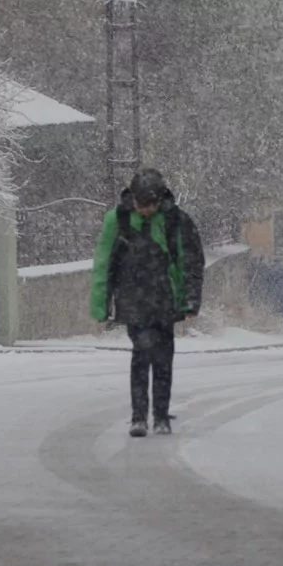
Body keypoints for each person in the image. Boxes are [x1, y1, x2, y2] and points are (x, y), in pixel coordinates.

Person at [90, 169, 204, 437]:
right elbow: (103, 264)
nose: (144, 210)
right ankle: (139, 417)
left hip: (165, 298)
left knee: (163, 358)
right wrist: (100, 306)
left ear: (159, 200)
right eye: (140, 204)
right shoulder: (117, 220)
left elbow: (191, 262)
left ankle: (161, 416)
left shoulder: (176, 221)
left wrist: (190, 301)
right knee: (141, 354)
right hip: (133, 298)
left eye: (149, 205)